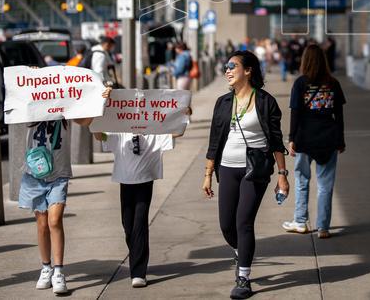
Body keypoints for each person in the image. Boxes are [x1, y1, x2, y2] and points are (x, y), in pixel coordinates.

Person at [203, 50, 289, 299]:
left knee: (244, 222)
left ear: (248, 70)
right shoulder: (223, 103)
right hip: (227, 167)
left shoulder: (265, 101)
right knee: (226, 225)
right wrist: (208, 173)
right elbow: (214, 141)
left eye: (233, 66)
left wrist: (282, 174)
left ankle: (243, 278)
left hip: (256, 169)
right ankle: (241, 251)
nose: (227, 70)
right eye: (226, 67)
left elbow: (275, 141)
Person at [19, 90, 109, 295]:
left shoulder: (66, 110)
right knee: (42, 224)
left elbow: (86, 121)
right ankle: (45, 267)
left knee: (54, 220)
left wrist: (101, 99)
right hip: (35, 173)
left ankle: (59, 271)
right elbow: (16, 100)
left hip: (59, 174)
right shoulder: (31, 108)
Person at [95, 103, 191, 289]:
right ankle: (136, 254)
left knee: (140, 223)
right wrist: (98, 116)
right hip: (125, 182)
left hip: (145, 182)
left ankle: (138, 272)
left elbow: (177, 133)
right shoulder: (120, 133)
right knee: (128, 225)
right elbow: (101, 136)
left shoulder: (154, 133)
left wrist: (184, 116)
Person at [282, 44, 346, 239]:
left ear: (305, 60)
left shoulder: (300, 83)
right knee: (325, 185)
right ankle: (323, 227)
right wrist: (340, 140)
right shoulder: (333, 83)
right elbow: (339, 115)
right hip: (328, 138)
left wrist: (292, 138)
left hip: (305, 138)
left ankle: (300, 222)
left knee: (302, 180)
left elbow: (296, 113)